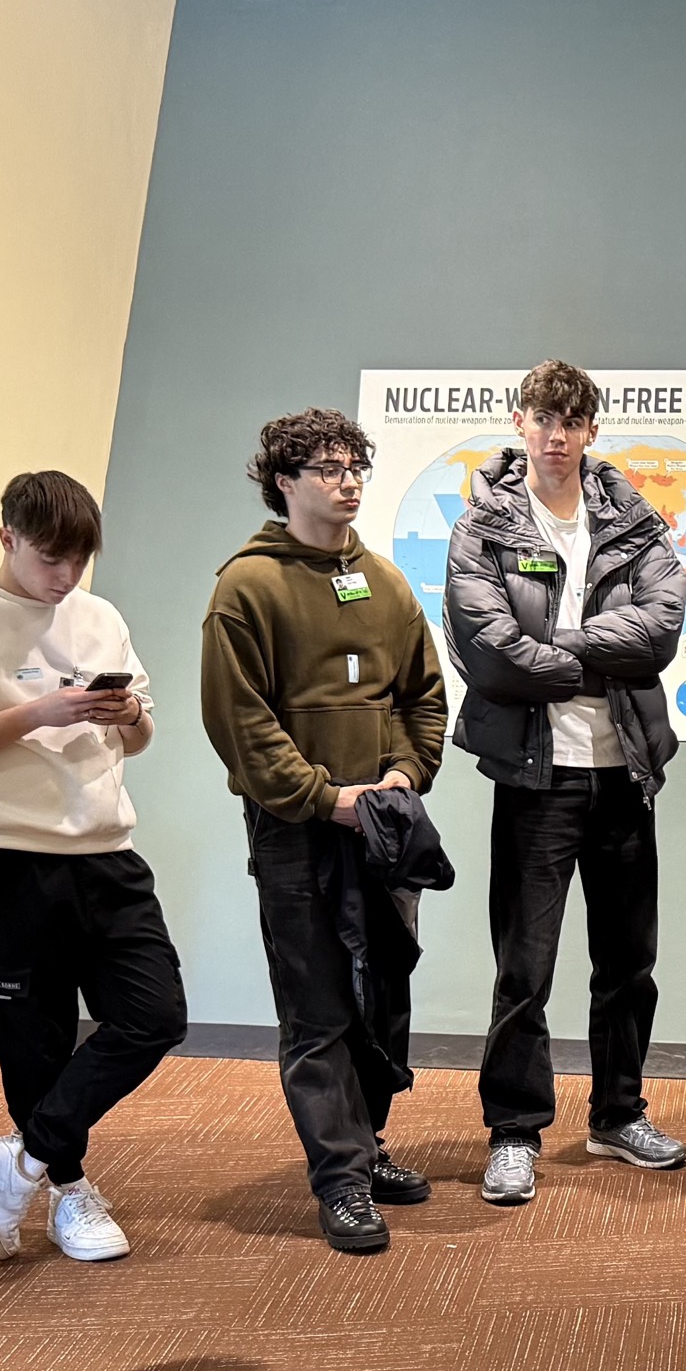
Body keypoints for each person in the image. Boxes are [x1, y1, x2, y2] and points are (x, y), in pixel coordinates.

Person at [0, 470, 186, 1264]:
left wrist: (129, 716)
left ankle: (21, 1159)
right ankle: (67, 1188)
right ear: (7, 539)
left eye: (79, 562)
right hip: (9, 859)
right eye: (51, 560)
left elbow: (143, 734)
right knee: (34, 1039)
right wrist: (37, 714)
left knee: (156, 1016)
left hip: (107, 850)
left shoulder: (99, 616)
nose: (65, 579)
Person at [199, 409, 449, 1253]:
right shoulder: (247, 587)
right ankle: (339, 1182)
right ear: (283, 481)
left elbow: (424, 696)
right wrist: (323, 797)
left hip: (384, 827)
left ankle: (368, 1145)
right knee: (315, 1008)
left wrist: (405, 778)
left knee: (384, 995)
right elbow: (241, 722)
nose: (347, 481)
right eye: (328, 467)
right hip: (295, 833)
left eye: (355, 467)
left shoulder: (384, 582)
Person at [447, 361, 686, 1208]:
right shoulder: (483, 525)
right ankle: (514, 1130)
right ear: (519, 421)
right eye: (544, 417)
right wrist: (588, 653)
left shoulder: (634, 519)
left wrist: (556, 650)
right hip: (533, 777)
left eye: (573, 419)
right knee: (525, 967)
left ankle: (618, 1114)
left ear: (592, 430)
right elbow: (486, 647)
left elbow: (659, 632)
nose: (557, 434)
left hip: (624, 772)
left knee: (629, 963)